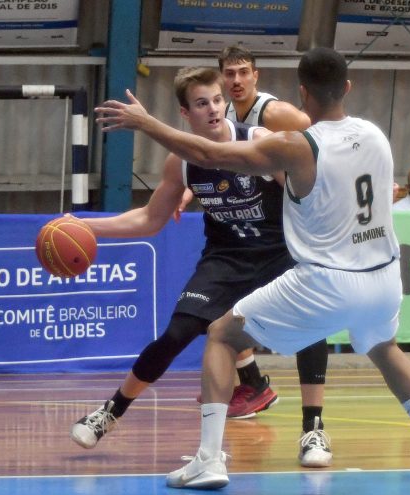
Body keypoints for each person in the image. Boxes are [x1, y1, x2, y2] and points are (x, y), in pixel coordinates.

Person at [95, 47, 410, 490]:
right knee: (385, 350)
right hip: (384, 277)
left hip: (329, 278)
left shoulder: (296, 146)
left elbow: (209, 155)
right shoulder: (374, 136)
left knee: (222, 335)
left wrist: (147, 124)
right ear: (347, 88)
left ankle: (209, 460)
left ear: (302, 92)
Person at [70, 66, 333, 469]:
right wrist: (84, 225)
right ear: (185, 113)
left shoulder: (259, 141)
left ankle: (313, 428)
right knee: (176, 333)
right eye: (200, 103)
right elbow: (149, 219)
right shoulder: (181, 162)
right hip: (226, 258)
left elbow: (307, 194)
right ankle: (111, 411)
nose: (212, 109)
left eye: (217, 100)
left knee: (312, 322)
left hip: (278, 253)